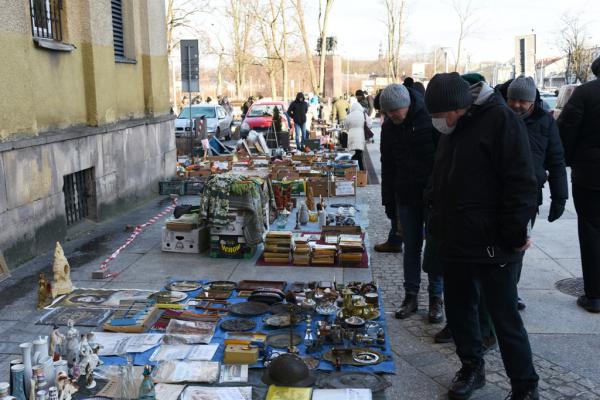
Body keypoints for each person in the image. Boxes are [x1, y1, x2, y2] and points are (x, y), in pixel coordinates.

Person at [425, 72, 539, 400]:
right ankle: (471, 367)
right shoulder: (454, 126)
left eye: (438, 116)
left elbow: (521, 182)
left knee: (504, 318)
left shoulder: (501, 120)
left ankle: (525, 386)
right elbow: (444, 173)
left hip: (494, 242)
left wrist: (515, 235)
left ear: (458, 107)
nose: (436, 122)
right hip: (455, 237)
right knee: (460, 310)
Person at [502, 76, 569, 310]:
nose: (517, 105)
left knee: (518, 247)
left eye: (523, 101)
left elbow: (556, 160)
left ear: (533, 102)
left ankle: (510, 291)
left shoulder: (545, 122)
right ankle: (499, 293)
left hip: (528, 197)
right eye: (513, 100)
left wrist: (560, 197)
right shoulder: (499, 117)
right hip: (498, 193)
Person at [378, 83, 443, 323]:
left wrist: (438, 192)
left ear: (407, 105)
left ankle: (436, 298)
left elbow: (443, 157)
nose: (392, 115)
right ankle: (411, 296)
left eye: (396, 111)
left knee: (434, 248)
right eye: (388, 112)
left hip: (431, 197)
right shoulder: (389, 127)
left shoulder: (429, 117)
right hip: (405, 196)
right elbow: (388, 165)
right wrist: (388, 203)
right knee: (411, 248)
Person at [558, 56, 600, 313]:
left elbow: (566, 131)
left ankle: (594, 294)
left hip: (591, 175)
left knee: (592, 231)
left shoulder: (585, 94)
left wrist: (571, 161)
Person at [373, 89, 403, 253]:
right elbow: (387, 160)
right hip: (397, 178)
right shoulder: (390, 125)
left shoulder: (395, 125)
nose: (384, 115)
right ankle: (395, 239)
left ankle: (396, 240)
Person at [344, 102, 371, 171]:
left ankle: (358, 168)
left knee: (358, 152)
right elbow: (369, 125)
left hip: (352, 136)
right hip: (361, 136)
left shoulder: (349, 115)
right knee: (359, 152)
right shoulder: (363, 114)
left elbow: (346, 127)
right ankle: (358, 167)